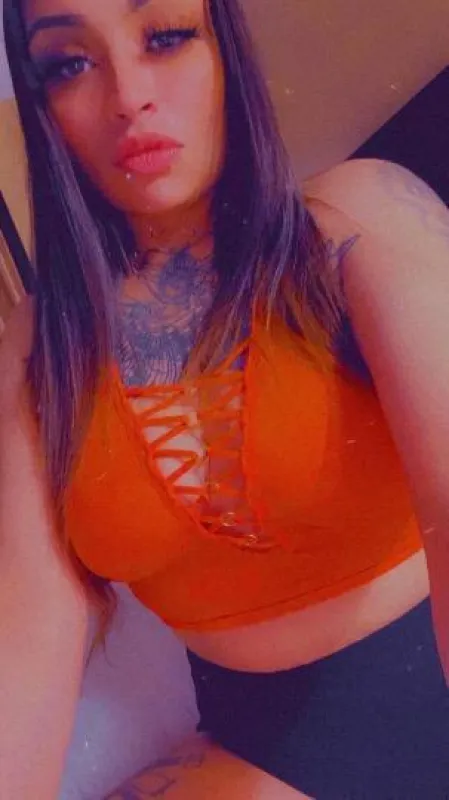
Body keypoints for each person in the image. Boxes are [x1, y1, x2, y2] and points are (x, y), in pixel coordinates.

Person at [2, 0, 449, 797]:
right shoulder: (40, 348)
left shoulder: (353, 220)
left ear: (224, 49)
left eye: (165, 35)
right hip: (257, 738)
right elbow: (23, 653)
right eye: (69, 64)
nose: (128, 95)